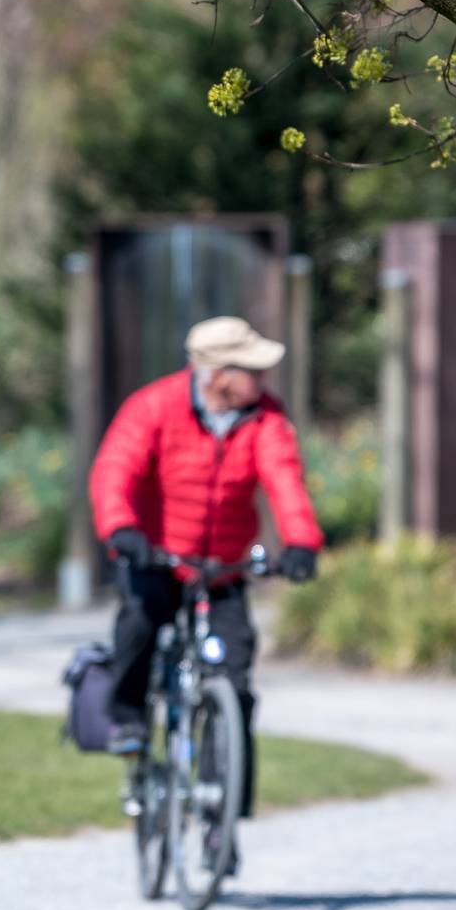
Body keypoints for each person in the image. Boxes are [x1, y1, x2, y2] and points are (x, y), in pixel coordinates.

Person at [88, 315, 323, 792]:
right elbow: (115, 470)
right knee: (140, 622)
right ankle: (128, 718)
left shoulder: (266, 420)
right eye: (251, 369)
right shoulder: (154, 408)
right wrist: (122, 529)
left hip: (221, 569)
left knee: (235, 673)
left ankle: (225, 802)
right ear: (217, 374)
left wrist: (300, 541)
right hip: (158, 557)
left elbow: (285, 483)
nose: (262, 379)